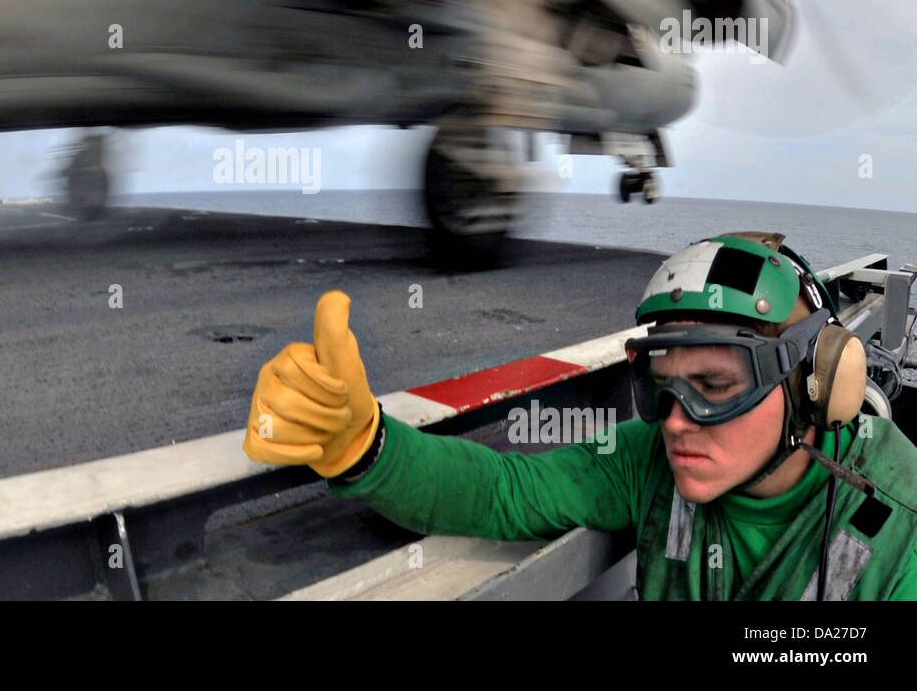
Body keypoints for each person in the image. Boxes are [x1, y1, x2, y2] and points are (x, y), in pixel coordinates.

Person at [242, 231, 917, 599]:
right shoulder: (649, 457)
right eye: (662, 386)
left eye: (715, 385)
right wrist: (364, 445)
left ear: (816, 382)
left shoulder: (903, 528)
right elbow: (502, 491)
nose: (677, 420)